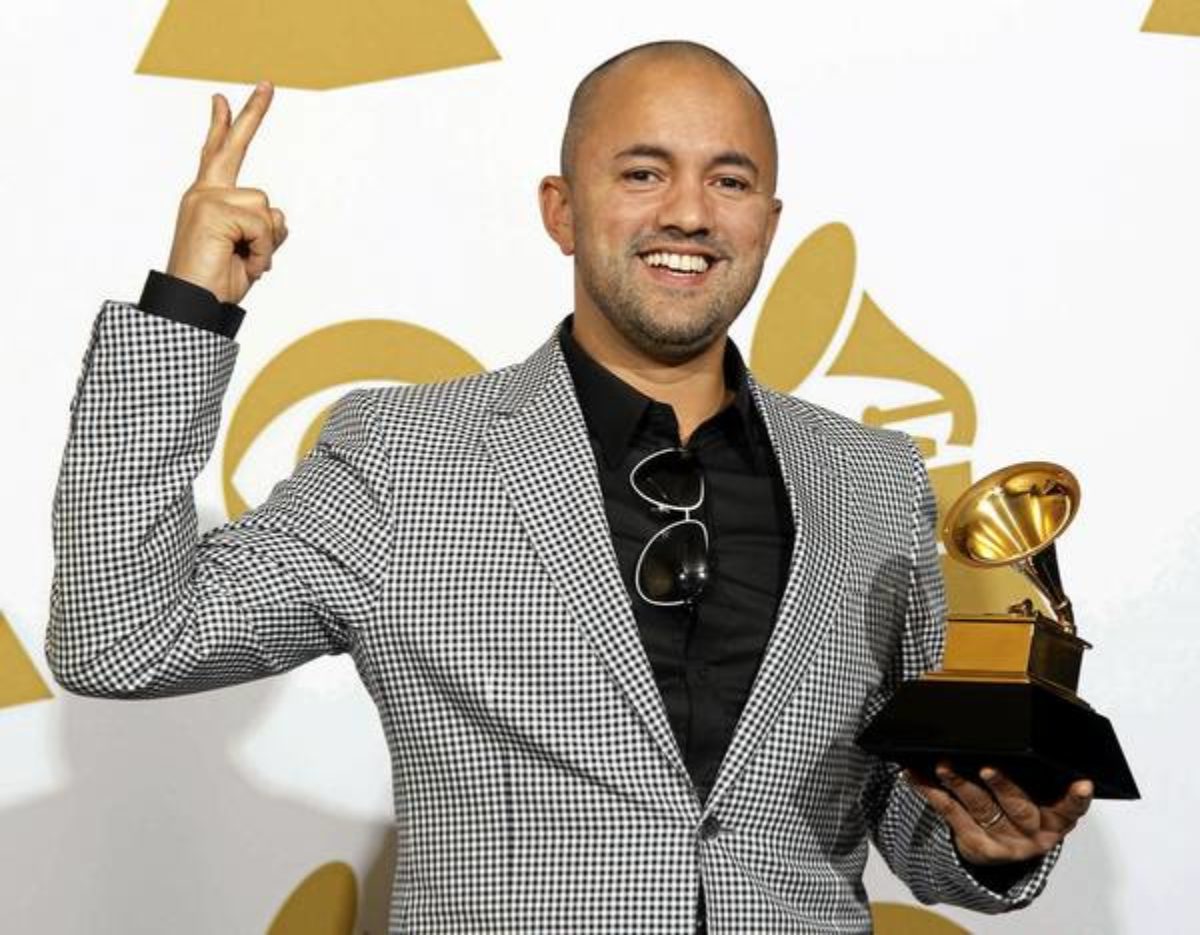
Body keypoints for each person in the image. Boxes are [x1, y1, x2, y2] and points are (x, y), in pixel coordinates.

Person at [48, 41, 1092, 933]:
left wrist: (989, 839)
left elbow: (905, 810)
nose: (690, 212)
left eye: (729, 182)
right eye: (643, 172)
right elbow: (122, 635)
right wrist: (190, 306)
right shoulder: (405, 456)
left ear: (769, 222)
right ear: (561, 209)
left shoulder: (873, 480)